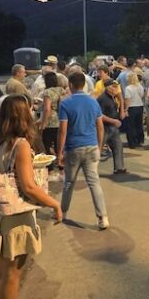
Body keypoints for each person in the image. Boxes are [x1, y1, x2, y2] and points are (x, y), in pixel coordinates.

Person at [0, 95, 62, 299]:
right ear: (23, 115)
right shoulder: (20, 145)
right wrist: (54, 204)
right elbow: (28, 186)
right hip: (15, 215)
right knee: (13, 271)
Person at [58, 72, 109, 229]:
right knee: (94, 183)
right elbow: (100, 127)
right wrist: (99, 147)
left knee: (69, 182)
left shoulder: (65, 104)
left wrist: (60, 152)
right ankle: (103, 217)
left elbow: (63, 130)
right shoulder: (93, 102)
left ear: (71, 85)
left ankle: (62, 212)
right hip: (92, 146)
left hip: (74, 147)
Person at [37, 72, 66, 178]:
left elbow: (47, 109)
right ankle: (61, 166)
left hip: (51, 122)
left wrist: (43, 123)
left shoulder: (47, 92)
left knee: (48, 144)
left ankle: (50, 169)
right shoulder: (62, 90)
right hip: (62, 119)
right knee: (60, 145)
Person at [98, 79, 126, 175]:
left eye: (116, 86)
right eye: (113, 86)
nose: (116, 88)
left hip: (113, 127)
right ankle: (91, 169)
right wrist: (113, 120)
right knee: (98, 149)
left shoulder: (112, 97)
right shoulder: (102, 99)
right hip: (104, 128)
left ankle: (119, 168)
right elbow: (99, 115)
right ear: (107, 87)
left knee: (118, 145)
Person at [124, 71, 145, 149]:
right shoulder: (140, 87)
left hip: (132, 107)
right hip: (140, 106)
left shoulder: (128, 88)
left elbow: (128, 99)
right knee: (139, 124)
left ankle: (132, 142)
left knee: (130, 126)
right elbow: (142, 95)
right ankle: (139, 140)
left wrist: (126, 109)